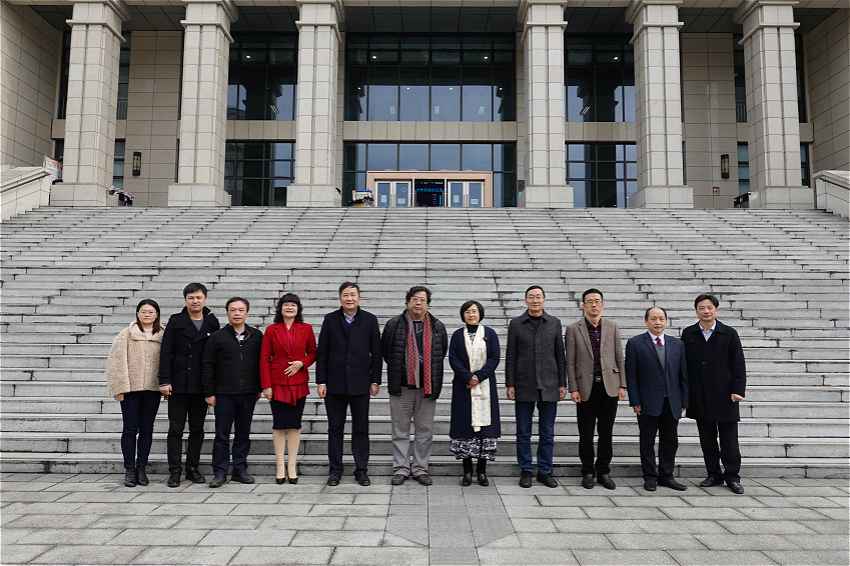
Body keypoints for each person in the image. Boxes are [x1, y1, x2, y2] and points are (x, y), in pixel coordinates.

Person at [316, 282, 382, 487]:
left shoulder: (370, 320)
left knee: (361, 428)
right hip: (334, 384)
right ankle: (335, 470)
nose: (349, 298)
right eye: (345, 295)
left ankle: (361, 470)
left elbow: (376, 353)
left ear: (359, 297)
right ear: (340, 298)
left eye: (353, 294)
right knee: (335, 429)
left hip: (360, 383)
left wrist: (375, 380)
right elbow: (322, 352)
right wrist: (321, 381)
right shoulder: (330, 319)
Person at [382, 285, 448, 486]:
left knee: (424, 431)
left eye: (422, 300)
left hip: (427, 389)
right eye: (415, 299)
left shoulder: (437, 326)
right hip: (401, 387)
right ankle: (401, 469)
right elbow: (386, 352)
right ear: (407, 301)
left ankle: (420, 469)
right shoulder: (393, 324)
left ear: (428, 304)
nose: (418, 303)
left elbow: (440, 353)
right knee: (400, 430)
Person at [682, 294, 747, 494]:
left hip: (725, 395)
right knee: (707, 439)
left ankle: (732, 477)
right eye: (701, 308)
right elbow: (683, 366)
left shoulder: (729, 333)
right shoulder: (689, 333)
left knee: (729, 441)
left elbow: (738, 363)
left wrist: (738, 390)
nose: (706, 311)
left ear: (716, 310)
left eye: (710, 307)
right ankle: (713, 474)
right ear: (696, 310)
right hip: (699, 396)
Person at [158, 282, 220, 488]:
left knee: (197, 429)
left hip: (201, 384)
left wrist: (213, 385)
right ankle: (174, 471)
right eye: (191, 297)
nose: (195, 301)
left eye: (198, 297)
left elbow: (216, 355)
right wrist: (164, 380)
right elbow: (166, 352)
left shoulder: (212, 322)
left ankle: (192, 468)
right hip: (178, 383)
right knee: (176, 429)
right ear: (185, 300)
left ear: (205, 299)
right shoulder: (176, 321)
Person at [505, 285, 567, 488]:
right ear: (525, 301)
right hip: (524, 383)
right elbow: (511, 356)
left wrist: (562, 383)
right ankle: (526, 469)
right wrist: (510, 383)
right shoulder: (516, 324)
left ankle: (545, 470)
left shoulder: (554, 323)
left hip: (549, 383)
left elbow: (560, 355)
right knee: (523, 431)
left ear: (544, 300)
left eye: (538, 297)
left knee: (547, 432)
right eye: (531, 297)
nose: (535, 300)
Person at [565, 288, 626, 490]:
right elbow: (570, 361)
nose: (593, 304)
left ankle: (603, 471)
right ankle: (588, 471)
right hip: (585, 388)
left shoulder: (612, 327)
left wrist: (622, 384)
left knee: (606, 432)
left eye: (597, 301)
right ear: (583, 306)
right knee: (586, 433)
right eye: (589, 301)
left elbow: (619, 357)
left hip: (609, 386)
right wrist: (573, 388)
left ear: (602, 305)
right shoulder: (573, 329)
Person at [626, 306, 689, 492]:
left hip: (672, 400)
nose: (658, 322)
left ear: (666, 321)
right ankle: (649, 476)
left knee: (670, 441)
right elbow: (631, 375)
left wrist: (684, 400)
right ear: (646, 321)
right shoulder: (635, 343)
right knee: (647, 441)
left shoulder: (677, 344)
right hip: (647, 401)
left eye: (661, 318)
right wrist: (635, 400)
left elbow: (683, 374)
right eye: (653, 319)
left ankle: (666, 476)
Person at [202, 297, 263, 488]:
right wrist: (209, 392)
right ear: (227, 313)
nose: (237, 313)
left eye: (241, 310)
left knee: (243, 434)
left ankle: (240, 470)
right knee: (222, 435)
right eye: (233, 310)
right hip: (224, 394)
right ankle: (219, 472)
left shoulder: (256, 336)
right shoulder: (217, 337)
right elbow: (208, 365)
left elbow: (261, 364)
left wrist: (259, 388)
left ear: (247, 313)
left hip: (248, 393)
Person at [106, 299, 166, 488]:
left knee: (147, 429)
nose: (147, 315)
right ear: (137, 314)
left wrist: (166, 384)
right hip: (131, 389)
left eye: (151, 311)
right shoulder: (126, 334)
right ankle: (129, 469)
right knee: (130, 429)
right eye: (143, 311)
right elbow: (115, 362)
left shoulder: (163, 335)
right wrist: (119, 388)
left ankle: (142, 468)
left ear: (157, 314)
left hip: (153, 389)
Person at [260, 293, 317, 485]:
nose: (290, 307)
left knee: (294, 424)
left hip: (298, 383)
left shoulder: (306, 328)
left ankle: (291, 465)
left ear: (298, 309)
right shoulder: (271, 330)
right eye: (286, 304)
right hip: (277, 383)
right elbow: (264, 359)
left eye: (293, 304)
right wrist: (266, 385)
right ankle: (280, 466)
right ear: (280, 308)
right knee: (279, 424)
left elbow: (314, 352)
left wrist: (302, 362)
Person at [448, 300, 501, 487]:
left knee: (484, 432)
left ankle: (482, 472)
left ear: (480, 314)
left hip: (485, 386)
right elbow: (453, 358)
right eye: (467, 312)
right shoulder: (457, 335)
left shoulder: (490, 334)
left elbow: (495, 357)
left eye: (474, 311)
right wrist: (468, 377)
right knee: (465, 430)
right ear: (463, 315)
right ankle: (467, 471)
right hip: (463, 387)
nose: (471, 315)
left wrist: (479, 376)